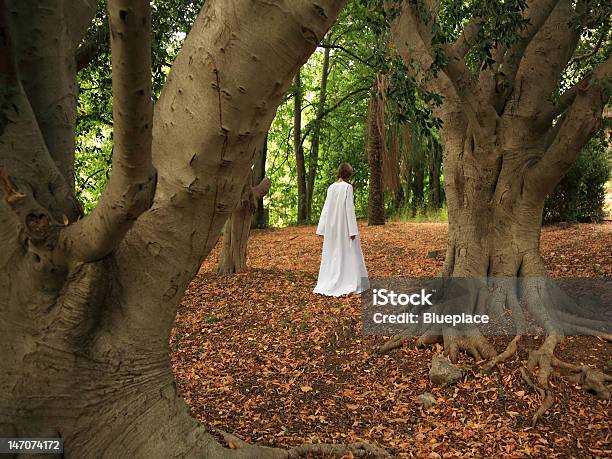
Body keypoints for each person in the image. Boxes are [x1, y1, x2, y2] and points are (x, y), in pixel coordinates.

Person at [313, 162, 369, 296]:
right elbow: (349, 209)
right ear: (348, 175)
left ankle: (332, 279)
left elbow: (326, 209)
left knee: (333, 253)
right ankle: (347, 280)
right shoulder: (348, 188)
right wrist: (352, 231)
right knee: (348, 252)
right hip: (344, 226)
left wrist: (321, 229)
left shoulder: (331, 187)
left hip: (332, 227)